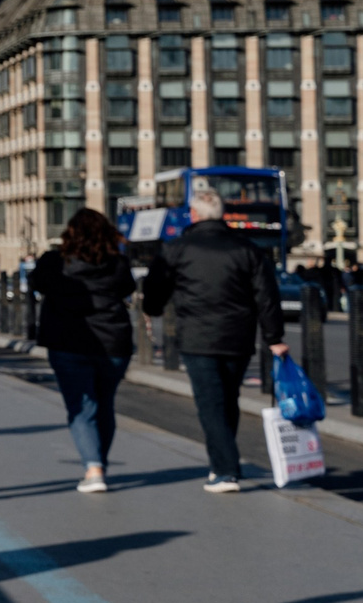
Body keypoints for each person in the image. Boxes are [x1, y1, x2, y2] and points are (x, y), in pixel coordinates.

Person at [142, 179, 288, 492]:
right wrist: (274, 337)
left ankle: (225, 470)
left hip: (197, 336)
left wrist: (152, 307)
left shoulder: (177, 249)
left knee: (210, 403)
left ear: (194, 215)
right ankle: (222, 462)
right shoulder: (247, 249)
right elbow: (266, 296)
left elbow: (155, 289)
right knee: (228, 399)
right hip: (238, 336)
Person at [29, 207, 136, 493]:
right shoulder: (117, 263)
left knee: (81, 407)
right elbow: (128, 288)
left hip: (67, 342)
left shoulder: (54, 261)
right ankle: (99, 463)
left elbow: (36, 283)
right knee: (105, 404)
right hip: (113, 342)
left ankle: (93, 467)